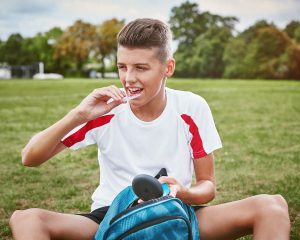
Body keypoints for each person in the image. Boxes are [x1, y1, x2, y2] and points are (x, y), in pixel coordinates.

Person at [9, 18, 290, 240]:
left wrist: (182, 191)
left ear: (167, 68)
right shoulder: (105, 111)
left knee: (272, 205)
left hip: (175, 213)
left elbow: (208, 186)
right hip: (110, 219)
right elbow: (30, 158)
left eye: (141, 68)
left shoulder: (191, 107)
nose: (129, 78)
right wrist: (78, 114)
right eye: (122, 67)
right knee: (26, 219)